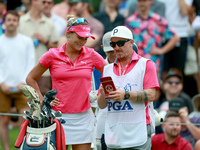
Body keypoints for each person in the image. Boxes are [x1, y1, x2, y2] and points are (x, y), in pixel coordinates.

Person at [26, 15, 106, 150]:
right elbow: (30, 78)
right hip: (58, 117)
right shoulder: (52, 54)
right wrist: (43, 100)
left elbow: (109, 72)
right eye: (80, 37)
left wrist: (99, 92)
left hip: (83, 118)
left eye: (86, 38)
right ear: (68, 34)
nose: (83, 41)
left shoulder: (91, 54)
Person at [97, 26, 160, 149]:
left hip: (138, 129)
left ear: (131, 43)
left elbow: (152, 95)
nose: (116, 48)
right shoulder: (107, 69)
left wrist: (125, 94)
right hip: (115, 132)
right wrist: (103, 95)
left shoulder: (146, 64)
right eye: (113, 44)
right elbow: (101, 105)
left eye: (120, 43)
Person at [0, 10, 35, 150]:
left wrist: (23, 82)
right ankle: (7, 148)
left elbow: (30, 62)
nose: (12, 22)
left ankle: (22, 147)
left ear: (18, 23)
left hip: (23, 85)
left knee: (25, 118)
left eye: (14, 20)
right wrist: (1, 82)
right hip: (3, 86)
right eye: (9, 20)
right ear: (4, 23)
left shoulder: (26, 41)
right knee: (3, 119)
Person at [125, 0, 180, 75]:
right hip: (134, 65)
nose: (142, 3)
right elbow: (124, 40)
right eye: (139, 1)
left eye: (144, 1)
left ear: (150, 1)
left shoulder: (158, 20)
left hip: (153, 65)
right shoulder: (130, 21)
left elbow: (175, 38)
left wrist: (161, 50)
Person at [18, 0, 59, 95]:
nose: (46, 4)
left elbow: (55, 47)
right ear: (34, 2)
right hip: (23, 69)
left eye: (47, 2)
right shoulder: (20, 21)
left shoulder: (49, 23)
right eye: (43, 2)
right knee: (24, 101)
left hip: (44, 71)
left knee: (43, 100)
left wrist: (45, 41)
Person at [158, 0, 193, 81]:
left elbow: (184, 12)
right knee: (163, 71)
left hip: (181, 34)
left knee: (178, 71)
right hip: (163, 35)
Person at [95, 31, 116, 150]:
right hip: (99, 120)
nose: (113, 54)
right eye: (109, 51)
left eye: (114, 50)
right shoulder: (96, 69)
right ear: (103, 48)